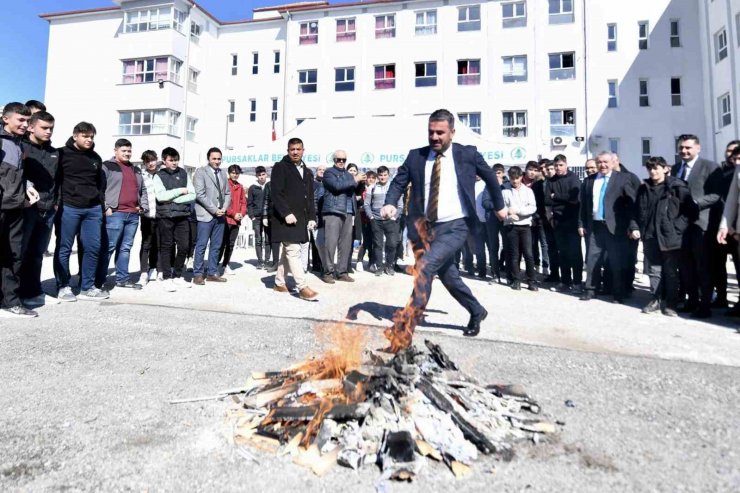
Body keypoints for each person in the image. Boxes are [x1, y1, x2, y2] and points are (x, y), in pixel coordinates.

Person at [381, 109, 506, 344]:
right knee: (449, 276)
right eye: (431, 132)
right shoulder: (415, 156)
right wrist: (389, 203)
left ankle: (404, 327)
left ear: (452, 133)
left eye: (440, 133)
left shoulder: (467, 154)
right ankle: (476, 310)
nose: (435, 137)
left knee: (425, 268)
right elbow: (399, 181)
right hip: (425, 229)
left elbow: (490, 177)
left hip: (455, 226)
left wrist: (499, 206)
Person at [54, 121, 108, 302]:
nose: (89, 140)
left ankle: (87, 287)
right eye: (85, 136)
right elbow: (55, 180)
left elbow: (100, 184)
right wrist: (57, 203)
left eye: (92, 137)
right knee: (64, 248)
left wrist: (100, 205)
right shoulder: (61, 154)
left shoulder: (95, 157)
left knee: (93, 247)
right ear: (75, 135)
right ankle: (63, 286)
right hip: (69, 207)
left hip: (93, 209)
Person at [634, 157, 692, 317]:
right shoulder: (644, 188)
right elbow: (637, 210)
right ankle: (656, 299)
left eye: (656, 168)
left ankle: (672, 303)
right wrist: (636, 227)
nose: (653, 171)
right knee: (654, 270)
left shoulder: (676, 187)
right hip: (650, 235)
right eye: (650, 169)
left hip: (669, 236)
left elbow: (690, 211)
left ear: (666, 169)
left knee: (671, 271)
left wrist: (677, 228)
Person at [578, 151, 639, 303]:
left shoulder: (623, 179)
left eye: (605, 162)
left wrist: (633, 225)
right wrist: (581, 224)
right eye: (599, 162)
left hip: (616, 228)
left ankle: (618, 293)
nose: (602, 165)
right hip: (595, 227)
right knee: (592, 259)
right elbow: (583, 205)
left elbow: (632, 204)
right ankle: (590, 289)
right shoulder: (589, 181)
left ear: (613, 163)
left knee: (616, 261)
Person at [672, 134, 721, 318]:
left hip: (702, 224)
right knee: (686, 266)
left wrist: (697, 203)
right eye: (681, 148)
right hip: (680, 225)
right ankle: (691, 301)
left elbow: (716, 195)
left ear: (698, 148)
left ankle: (705, 304)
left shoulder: (710, 167)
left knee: (703, 266)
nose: (684, 151)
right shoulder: (676, 168)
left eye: (688, 148)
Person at [0, 102, 38, 316]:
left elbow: (17, 174)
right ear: (6, 118)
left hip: (16, 207)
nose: (25, 125)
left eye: (27, 121)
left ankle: (10, 301)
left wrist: (28, 187)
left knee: (13, 255)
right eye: (21, 120)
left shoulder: (20, 144)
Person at [19, 111, 59, 307]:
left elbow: (57, 181)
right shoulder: (21, 147)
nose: (49, 131)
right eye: (44, 128)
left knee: (37, 253)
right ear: (31, 127)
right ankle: (13, 295)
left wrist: (56, 202)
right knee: (20, 252)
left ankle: (33, 291)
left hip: (48, 208)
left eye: (51, 128)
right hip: (26, 209)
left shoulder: (54, 152)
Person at [269, 138, 318, 300]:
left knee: (288, 252)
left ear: (303, 150)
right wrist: (286, 213)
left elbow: (310, 197)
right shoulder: (280, 167)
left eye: (298, 149)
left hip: (301, 219)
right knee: (293, 250)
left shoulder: (308, 171)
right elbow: (276, 193)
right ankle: (302, 287)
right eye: (292, 149)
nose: (295, 152)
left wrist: (312, 216)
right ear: (288, 150)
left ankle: (279, 282)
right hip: (285, 218)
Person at [97, 138, 148, 290]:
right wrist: (106, 207)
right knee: (109, 247)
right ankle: (97, 281)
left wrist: (142, 206)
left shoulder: (135, 169)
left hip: (132, 215)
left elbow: (143, 190)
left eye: (129, 151)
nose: (127, 153)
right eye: (123, 151)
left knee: (125, 248)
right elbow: (99, 187)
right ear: (116, 151)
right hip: (115, 213)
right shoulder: (107, 166)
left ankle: (122, 279)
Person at [153, 147, 196, 292]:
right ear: (164, 160)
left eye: (176, 160)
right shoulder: (159, 176)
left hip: (182, 215)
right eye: (171, 160)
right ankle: (166, 277)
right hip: (165, 216)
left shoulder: (183, 173)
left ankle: (177, 275)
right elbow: (160, 196)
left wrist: (173, 199)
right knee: (167, 246)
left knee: (184, 246)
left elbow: (192, 195)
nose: (174, 163)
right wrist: (179, 191)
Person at [320, 150, 364, 283]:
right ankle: (327, 272)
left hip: (349, 212)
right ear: (334, 160)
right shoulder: (329, 173)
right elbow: (337, 186)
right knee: (330, 244)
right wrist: (354, 179)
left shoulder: (348, 174)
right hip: (333, 211)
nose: (341, 161)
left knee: (345, 244)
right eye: (338, 159)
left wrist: (361, 182)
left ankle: (342, 271)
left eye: (343, 160)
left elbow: (355, 191)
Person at [192, 147, 231, 285]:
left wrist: (224, 208)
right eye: (214, 158)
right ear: (208, 158)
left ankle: (212, 272)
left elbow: (227, 193)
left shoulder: (223, 173)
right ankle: (198, 274)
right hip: (205, 215)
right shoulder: (200, 172)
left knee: (217, 245)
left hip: (220, 215)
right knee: (201, 245)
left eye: (219, 158)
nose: (217, 161)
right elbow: (200, 194)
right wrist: (214, 209)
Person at [711, 141, 740, 310]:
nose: (732, 156)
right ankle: (721, 296)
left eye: (735, 154)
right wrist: (725, 225)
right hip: (725, 225)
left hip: (736, 228)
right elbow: (730, 201)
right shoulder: (720, 173)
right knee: (718, 264)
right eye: (729, 152)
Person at [547, 154, 583, 292]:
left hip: (572, 220)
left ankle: (578, 282)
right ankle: (565, 281)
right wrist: (558, 199)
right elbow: (547, 200)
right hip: (558, 221)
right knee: (563, 253)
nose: (558, 168)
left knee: (575, 253)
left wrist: (556, 196)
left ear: (566, 164)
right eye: (556, 165)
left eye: (560, 165)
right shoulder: (551, 181)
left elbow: (575, 199)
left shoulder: (573, 178)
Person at [502, 166, 538, 291]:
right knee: (514, 255)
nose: (515, 181)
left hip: (525, 226)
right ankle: (516, 280)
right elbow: (503, 209)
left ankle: (532, 281)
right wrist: (509, 214)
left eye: (517, 178)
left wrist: (519, 211)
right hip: (511, 226)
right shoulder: (505, 192)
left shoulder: (528, 191)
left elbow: (533, 207)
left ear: (521, 177)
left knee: (528, 254)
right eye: (512, 179)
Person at [365, 166, 403, 276]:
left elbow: (400, 205)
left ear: (388, 175)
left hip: (391, 221)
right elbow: (367, 204)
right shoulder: (371, 188)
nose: (382, 177)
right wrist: (371, 217)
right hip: (376, 220)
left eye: (385, 175)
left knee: (392, 244)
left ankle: (389, 266)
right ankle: (379, 267)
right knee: (377, 245)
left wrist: (394, 217)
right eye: (380, 175)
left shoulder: (394, 188)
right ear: (378, 176)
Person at [219, 164, 246, 275]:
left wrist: (241, 214)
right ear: (229, 173)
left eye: (237, 173)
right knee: (221, 243)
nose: (235, 175)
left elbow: (244, 202)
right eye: (233, 173)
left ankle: (225, 264)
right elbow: (222, 202)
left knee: (231, 244)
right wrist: (233, 213)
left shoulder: (240, 187)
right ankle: (215, 264)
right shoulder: (225, 184)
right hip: (225, 219)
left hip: (236, 220)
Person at [138, 150, 160, 285]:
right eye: (147, 161)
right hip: (146, 214)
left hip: (161, 215)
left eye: (152, 160)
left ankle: (157, 269)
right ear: (144, 162)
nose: (150, 163)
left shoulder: (162, 174)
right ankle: (143, 272)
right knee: (146, 244)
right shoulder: (141, 175)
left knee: (159, 244)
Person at [247, 166, 270, 269]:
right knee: (258, 239)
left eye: (263, 174)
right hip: (256, 218)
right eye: (259, 175)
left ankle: (267, 260)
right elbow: (249, 204)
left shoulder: (270, 186)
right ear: (256, 176)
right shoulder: (252, 188)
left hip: (268, 217)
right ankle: (260, 261)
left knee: (268, 240)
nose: (261, 177)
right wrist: (252, 216)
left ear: (266, 174)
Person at [310, 164, 326, 273]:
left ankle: (323, 263)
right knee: (314, 241)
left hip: (325, 216)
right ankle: (315, 263)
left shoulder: (328, 184)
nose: (322, 171)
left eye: (324, 170)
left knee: (323, 241)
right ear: (316, 172)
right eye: (320, 170)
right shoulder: (312, 184)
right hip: (315, 215)